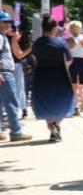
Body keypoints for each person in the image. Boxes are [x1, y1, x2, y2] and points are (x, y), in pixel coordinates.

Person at [31, 16, 74, 141]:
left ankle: (51, 125)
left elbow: (34, 58)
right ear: (54, 28)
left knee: (44, 101)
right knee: (65, 101)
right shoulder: (61, 43)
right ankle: (56, 124)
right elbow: (70, 59)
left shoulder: (37, 42)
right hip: (59, 75)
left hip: (41, 75)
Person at [0, 14, 32, 142]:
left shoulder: (3, 37)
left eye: (9, 22)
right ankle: (16, 132)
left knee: (2, 103)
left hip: (4, 73)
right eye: (5, 22)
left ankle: (1, 131)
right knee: (11, 103)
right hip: (4, 74)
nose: (9, 24)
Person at [13, 30, 32, 118]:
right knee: (22, 89)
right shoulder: (16, 42)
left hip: (21, 67)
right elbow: (20, 55)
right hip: (21, 67)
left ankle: (22, 109)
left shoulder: (16, 41)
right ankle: (23, 109)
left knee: (21, 89)